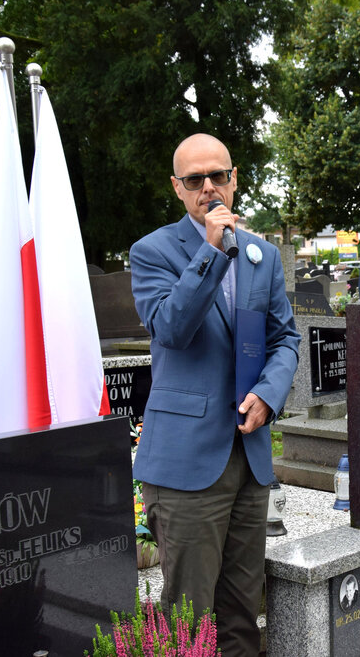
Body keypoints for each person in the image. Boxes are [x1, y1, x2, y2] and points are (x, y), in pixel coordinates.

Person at [129, 133, 300, 656]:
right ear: (177, 187)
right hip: (187, 462)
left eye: (218, 176)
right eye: (195, 179)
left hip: (248, 455)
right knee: (189, 615)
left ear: (233, 179)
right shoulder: (153, 251)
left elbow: (284, 338)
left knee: (242, 609)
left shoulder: (262, 255)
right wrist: (210, 250)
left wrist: (269, 394)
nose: (208, 186)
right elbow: (171, 327)